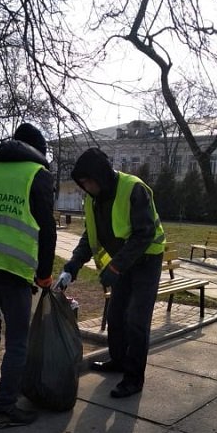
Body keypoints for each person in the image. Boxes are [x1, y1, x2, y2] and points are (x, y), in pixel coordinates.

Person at [0, 123, 57, 428]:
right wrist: (44, 274)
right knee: (17, 340)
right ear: (37, 150)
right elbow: (47, 229)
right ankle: (5, 408)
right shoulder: (37, 174)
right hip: (12, 268)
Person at [56, 147, 165, 398]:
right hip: (124, 263)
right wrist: (72, 267)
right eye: (81, 184)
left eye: (88, 182)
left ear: (100, 176)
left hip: (147, 260)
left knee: (136, 320)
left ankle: (134, 378)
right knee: (116, 315)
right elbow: (90, 237)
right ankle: (118, 361)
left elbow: (144, 233)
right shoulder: (94, 199)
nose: (85, 187)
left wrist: (115, 267)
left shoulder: (133, 188)